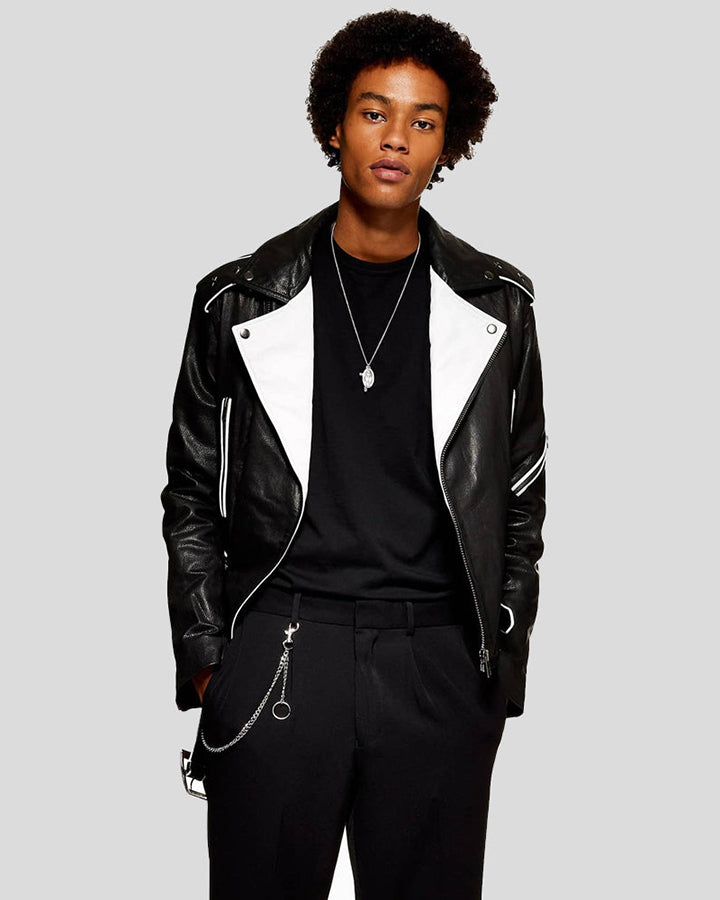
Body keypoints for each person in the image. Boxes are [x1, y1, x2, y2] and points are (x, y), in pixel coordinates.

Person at [161, 9, 548, 899]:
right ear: (334, 124)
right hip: (281, 653)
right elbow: (190, 488)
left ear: (449, 143)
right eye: (375, 112)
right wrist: (212, 657)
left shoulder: (499, 305)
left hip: (439, 664)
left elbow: (522, 494)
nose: (396, 138)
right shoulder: (239, 298)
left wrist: (499, 652)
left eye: (423, 120)